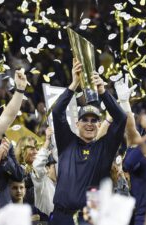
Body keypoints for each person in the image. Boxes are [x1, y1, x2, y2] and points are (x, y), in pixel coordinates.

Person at [50, 59, 127, 225]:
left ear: (100, 125)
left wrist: (103, 92)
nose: (89, 124)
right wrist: (73, 84)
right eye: (85, 120)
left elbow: (121, 118)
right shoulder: (67, 142)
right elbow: (57, 113)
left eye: (94, 121)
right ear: (77, 124)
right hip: (60, 217)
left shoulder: (105, 147)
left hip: (89, 219)